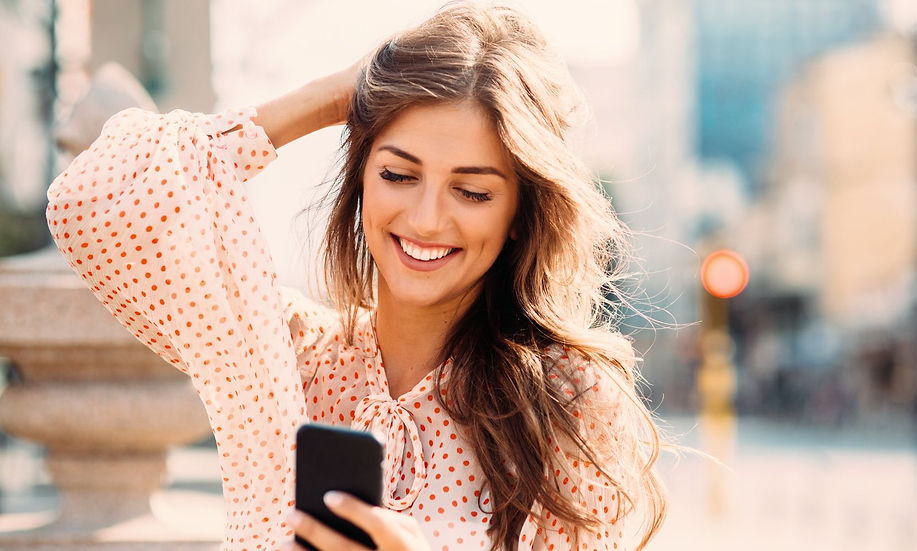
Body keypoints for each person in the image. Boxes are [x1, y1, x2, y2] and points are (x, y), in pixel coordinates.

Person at [46, 2, 666, 550]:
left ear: (517, 215)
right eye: (398, 175)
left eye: (472, 192)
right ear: (362, 179)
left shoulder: (568, 398)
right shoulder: (291, 356)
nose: (426, 219)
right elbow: (90, 206)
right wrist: (332, 97)